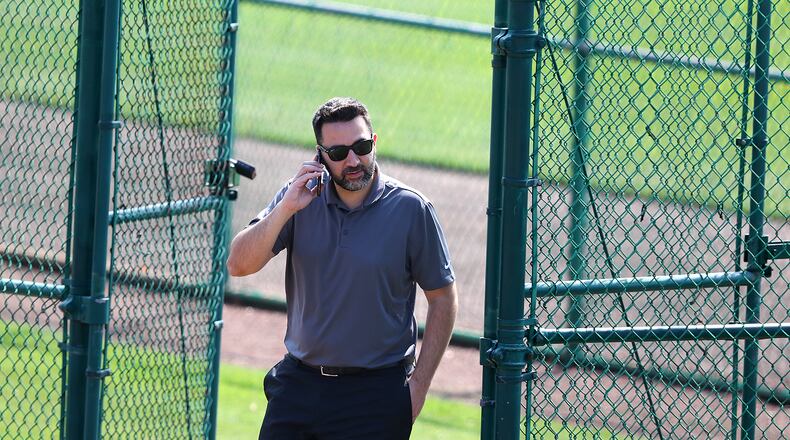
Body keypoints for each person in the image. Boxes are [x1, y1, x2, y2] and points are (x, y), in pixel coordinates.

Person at [226, 97, 458, 440]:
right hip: (298, 387)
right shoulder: (298, 200)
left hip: (375, 394)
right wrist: (286, 208)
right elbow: (238, 265)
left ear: (374, 142)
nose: (353, 160)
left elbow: (443, 299)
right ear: (320, 156)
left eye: (361, 147)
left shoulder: (411, 209)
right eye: (338, 153)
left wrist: (417, 389)